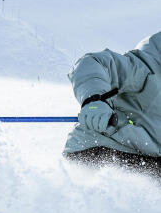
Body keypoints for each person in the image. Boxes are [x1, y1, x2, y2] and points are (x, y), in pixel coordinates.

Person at [64, 31, 161, 176]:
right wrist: (94, 100)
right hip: (104, 146)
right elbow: (95, 63)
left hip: (145, 156)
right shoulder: (145, 68)